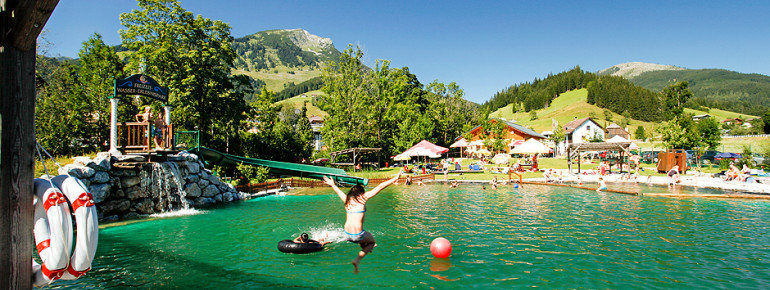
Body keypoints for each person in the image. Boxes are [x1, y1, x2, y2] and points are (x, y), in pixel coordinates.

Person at [322, 172, 401, 273]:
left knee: (364, 240)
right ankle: (357, 260)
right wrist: (395, 178)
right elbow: (380, 186)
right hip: (358, 235)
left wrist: (332, 184)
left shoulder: (347, 200)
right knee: (372, 242)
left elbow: (339, 192)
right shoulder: (363, 198)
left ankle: (365, 247)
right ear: (361, 193)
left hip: (347, 235)